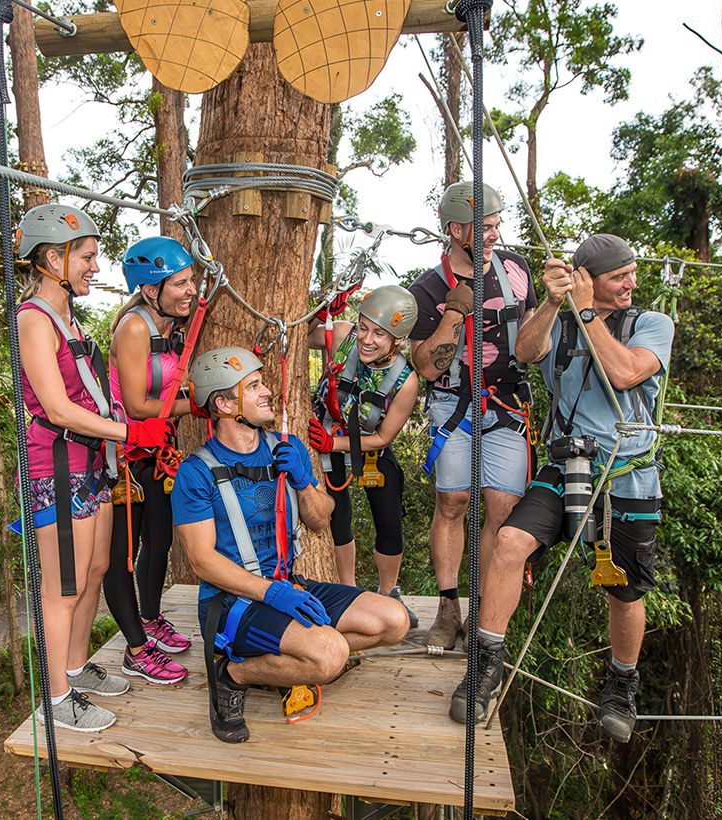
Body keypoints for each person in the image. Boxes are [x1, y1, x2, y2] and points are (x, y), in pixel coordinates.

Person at [449, 233, 674, 745]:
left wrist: (588, 311)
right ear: (590, 279)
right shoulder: (565, 321)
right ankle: (486, 665)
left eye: (632, 273)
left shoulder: (652, 324)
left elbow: (624, 374)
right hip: (567, 463)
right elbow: (525, 351)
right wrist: (553, 303)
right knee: (508, 543)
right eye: (620, 276)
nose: (631, 284)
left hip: (626, 474)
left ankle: (621, 684)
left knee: (624, 590)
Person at [171, 347, 411, 743]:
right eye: (254, 386)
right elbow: (201, 561)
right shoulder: (196, 473)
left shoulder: (287, 447)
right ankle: (232, 675)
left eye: (263, 382)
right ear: (224, 403)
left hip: (289, 585)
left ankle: (288, 661)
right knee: (329, 655)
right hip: (234, 603)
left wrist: (302, 480)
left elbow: (320, 520)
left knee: (394, 620)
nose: (268, 392)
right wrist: (271, 593)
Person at [14, 203, 174, 732]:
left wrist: (121, 433)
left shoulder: (67, 317)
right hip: (55, 469)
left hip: (90, 464)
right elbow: (57, 408)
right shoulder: (33, 320)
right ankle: (57, 700)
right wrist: (131, 432)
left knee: (97, 571)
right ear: (51, 258)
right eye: (86, 257)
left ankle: (76, 669)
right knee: (62, 587)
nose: (95, 268)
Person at [407, 180, 554, 649]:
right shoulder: (429, 288)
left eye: (495, 226)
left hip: (506, 405)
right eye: (483, 228)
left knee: (502, 508)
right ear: (455, 230)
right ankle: (448, 607)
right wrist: (454, 312)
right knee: (451, 502)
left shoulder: (516, 271)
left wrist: (551, 303)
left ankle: (485, 613)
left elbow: (530, 345)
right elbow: (427, 366)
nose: (493, 235)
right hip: (454, 405)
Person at [104, 235, 200, 686]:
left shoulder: (172, 329)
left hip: (157, 454)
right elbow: (139, 405)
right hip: (125, 459)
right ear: (149, 290)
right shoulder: (135, 328)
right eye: (179, 283)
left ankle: (149, 618)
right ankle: (135, 650)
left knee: (159, 541)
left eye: (192, 280)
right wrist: (199, 403)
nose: (191, 289)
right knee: (124, 555)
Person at [306, 285, 422, 625]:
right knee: (337, 516)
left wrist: (334, 444)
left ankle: (388, 592)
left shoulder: (405, 381)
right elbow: (302, 336)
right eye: (364, 327)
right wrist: (323, 312)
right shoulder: (343, 336)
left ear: (397, 340)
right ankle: (348, 590)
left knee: (388, 516)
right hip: (327, 434)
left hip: (367, 444)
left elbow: (384, 436)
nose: (367, 339)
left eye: (379, 334)